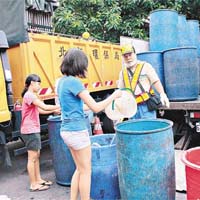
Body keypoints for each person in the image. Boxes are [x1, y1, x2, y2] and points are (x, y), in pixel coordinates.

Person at [57, 48, 122, 200]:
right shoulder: (74, 82)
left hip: (66, 131)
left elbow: (81, 106)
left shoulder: (62, 82)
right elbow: (96, 108)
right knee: (86, 171)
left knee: (79, 169)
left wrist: (101, 102)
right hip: (77, 131)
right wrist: (114, 95)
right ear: (79, 64)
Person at [20, 74, 60, 192]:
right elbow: (44, 106)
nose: (39, 86)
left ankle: (38, 180)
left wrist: (54, 110)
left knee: (36, 156)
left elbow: (40, 110)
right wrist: (58, 106)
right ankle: (33, 184)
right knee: (32, 158)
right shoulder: (29, 95)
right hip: (30, 130)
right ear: (32, 83)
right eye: (38, 83)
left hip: (32, 129)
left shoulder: (31, 96)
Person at [118, 44, 169, 119]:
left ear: (135, 54)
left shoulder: (145, 66)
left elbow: (155, 81)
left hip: (146, 106)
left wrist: (162, 94)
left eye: (130, 54)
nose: (128, 58)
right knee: (135, 129)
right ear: (123, 57)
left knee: (149, 128)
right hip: (131, 108)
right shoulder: (122, 72)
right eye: (125, 56)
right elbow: (121, 90)